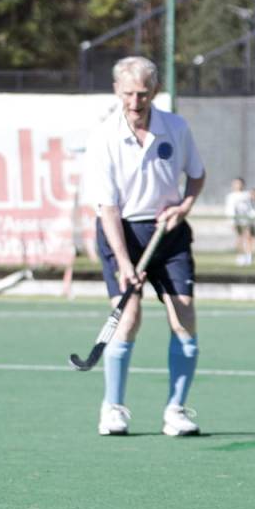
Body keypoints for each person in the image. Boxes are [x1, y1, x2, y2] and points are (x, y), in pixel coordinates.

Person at [83, 56, 205, 438]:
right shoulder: (104, 137)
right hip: (122, 231)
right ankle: (113, 408)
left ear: (154, 92)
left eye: (143, 93)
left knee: (183, 317)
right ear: (117, 92)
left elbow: (197, 176)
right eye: (129, 94)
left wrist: (184, 206)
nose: (136, 102)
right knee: (130, 318)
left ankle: (176, 410)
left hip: (169, 235)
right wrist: (123, 261)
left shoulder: (176, 127)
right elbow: (108, 208)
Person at [224, 177, 255, 265]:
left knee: (249, 238)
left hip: (247, 220)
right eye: (236, 183)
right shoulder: (231, 196)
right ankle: (240, 256)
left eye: (239, 183)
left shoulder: (247, 195)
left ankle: (249, 257)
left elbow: (254, 201)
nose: (238, 185)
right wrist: (231, 222)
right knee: (240, 239)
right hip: (237, 221)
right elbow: (229, 210)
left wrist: (254, 213)